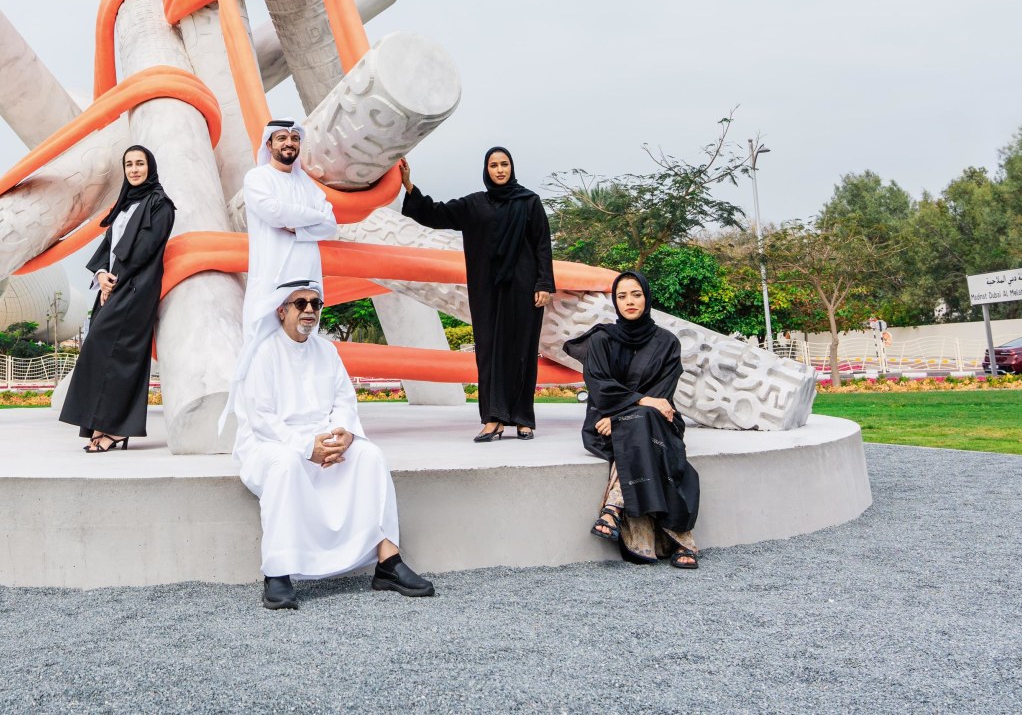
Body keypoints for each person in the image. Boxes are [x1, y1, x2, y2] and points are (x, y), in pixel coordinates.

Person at [228, 279, 436, 610]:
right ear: (282, 311)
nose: (310, 310)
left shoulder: (327, 350)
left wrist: (343, 436)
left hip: (325, 440)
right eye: (300, 304)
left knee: (369, 456)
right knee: (285, 464)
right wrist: (306, 447)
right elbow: (262, 419)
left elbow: (344, 400)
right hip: (272, 443)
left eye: (316, 304)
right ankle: (278, 574)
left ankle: (387, 562)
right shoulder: (263, 353)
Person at [399, 147, 553, 441]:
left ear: (511, 167)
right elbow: (437, 213)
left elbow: (542, 245)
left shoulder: (529, 202)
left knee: (522, 351)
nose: (499, 170)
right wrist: (409, 186)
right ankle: (493, 419)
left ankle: (523, 418)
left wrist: (544, 284)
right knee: (488, 352)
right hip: (487, 290)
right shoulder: (475, 204)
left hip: (524, 289)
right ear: (486, 169)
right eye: (494, 165)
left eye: (504, 164)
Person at [565, 271, 701, 568]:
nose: (629, 301)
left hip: (651, 423)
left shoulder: (667, 343)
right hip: (605, 422)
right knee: (642, 424)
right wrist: (639, 403)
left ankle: (613, 507)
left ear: (647, 297)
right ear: (615, 301)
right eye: (622, 296)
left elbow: (662, 399)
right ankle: (682, 540)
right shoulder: (602, 340)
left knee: (644, 423)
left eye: (636, 294)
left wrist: (625, 417)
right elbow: (600, 387)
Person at [59, 145, 175, 452]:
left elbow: (145, 249)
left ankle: (113, 429)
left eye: (140, 163)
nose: (135, 169)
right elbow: (106, 250)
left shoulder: (160, 204)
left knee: (120, 358)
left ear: (150, 167)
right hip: (110, 288)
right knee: (101, 353)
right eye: (129, 165)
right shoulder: (124, 205)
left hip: (135, 290)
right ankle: (103, 426)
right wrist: (100, 275)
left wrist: (115, 280)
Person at [240, 120, 338, 349]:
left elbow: (330, 225)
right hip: (272, 275)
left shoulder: (305, 183)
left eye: (294, 139)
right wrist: (314, 216)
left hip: (307, 276)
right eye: (282, 138)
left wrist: (297, 229)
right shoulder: (257, 178)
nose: (289, 143)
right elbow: (274, 213)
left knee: (304, 344)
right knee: (263, 344)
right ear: (269, 143)